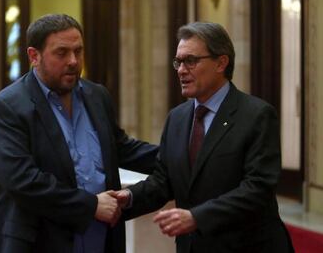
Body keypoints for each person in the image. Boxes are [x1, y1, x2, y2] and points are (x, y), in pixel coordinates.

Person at [0, 14, 158, 253]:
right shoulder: (7, 108)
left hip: (100, 237)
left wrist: (183, 154)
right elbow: (22, 180)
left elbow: (121, 148)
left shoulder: (97, 96)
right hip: (37, 243)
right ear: (34, 56)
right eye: (62, 53)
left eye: (78, 51)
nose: (73, 61)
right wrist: (90, 205)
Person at [117, 22, 294, 252]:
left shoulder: (257, 115)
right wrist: (128, 198)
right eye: (178, 62)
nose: (181, 70)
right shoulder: (177, 118)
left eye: (190, 61)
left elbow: (257, 189)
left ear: (221, 62)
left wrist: (197, 217)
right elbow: (163, 181)